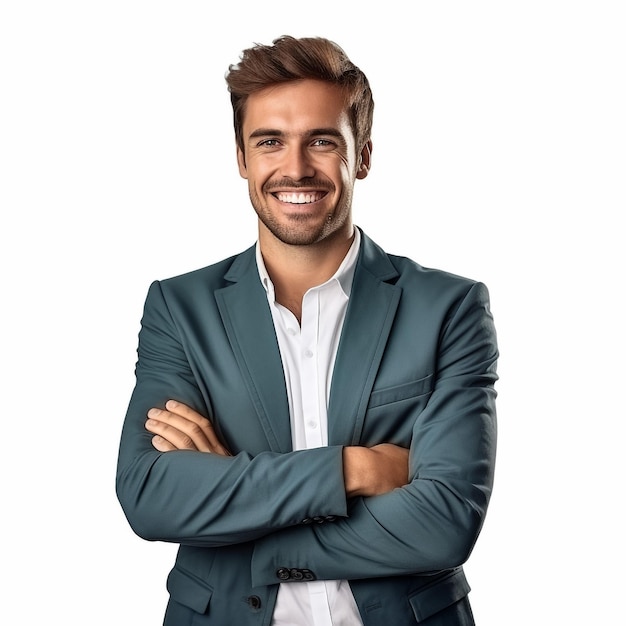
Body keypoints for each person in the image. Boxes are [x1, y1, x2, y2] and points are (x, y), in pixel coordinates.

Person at [116, 35, 498, 626]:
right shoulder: (179, 307)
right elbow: (149, 494)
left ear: (362, 156)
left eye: (322, 141)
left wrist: (243, 521)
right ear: (242, 158)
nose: (295, 168)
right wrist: (354, 469)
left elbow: (444, 523)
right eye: (270, 142)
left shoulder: (449, 307)